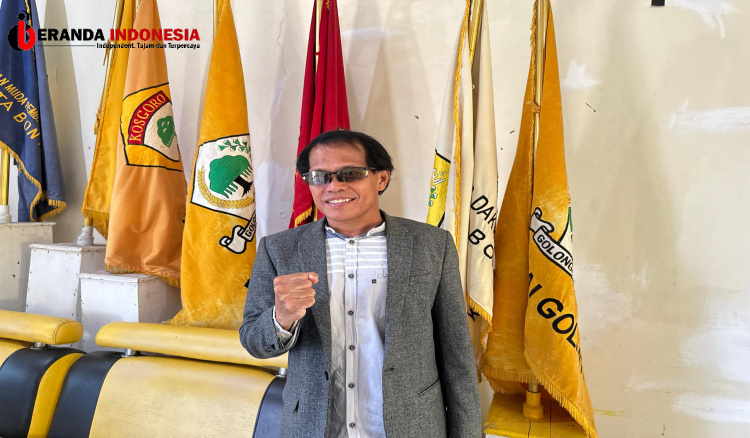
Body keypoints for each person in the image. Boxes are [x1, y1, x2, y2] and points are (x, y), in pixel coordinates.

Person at [240, 130, 480, 438]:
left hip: (411, 425)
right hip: (313, 427)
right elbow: (254, 342)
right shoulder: (279, 249)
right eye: (320, 177)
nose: (334, 186)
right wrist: (281, 317)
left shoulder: (431, 244)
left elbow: (456, 353)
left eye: (350, 174)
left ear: (381, 178)